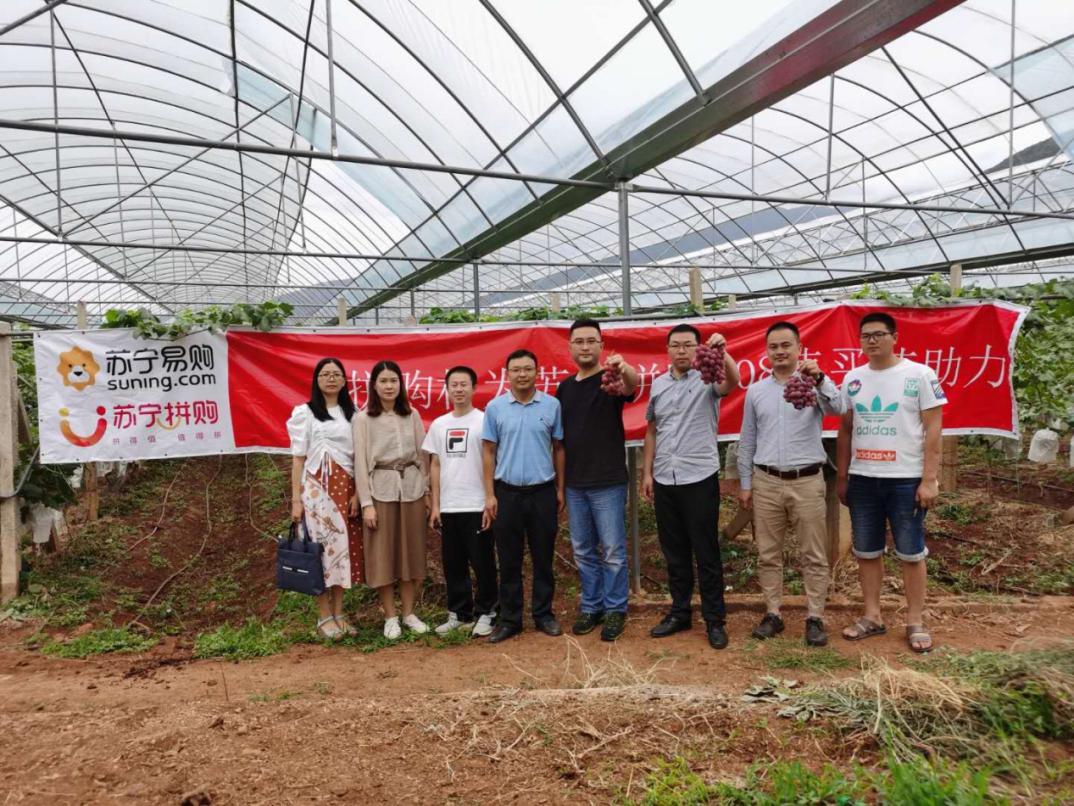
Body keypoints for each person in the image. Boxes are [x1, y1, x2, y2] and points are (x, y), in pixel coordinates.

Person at [837, 312, 944, 653]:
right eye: (865, 335)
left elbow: (933, 429)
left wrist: (929, 479)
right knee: (866, 551)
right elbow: (845, 429)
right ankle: (872, 615)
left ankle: (915, 620)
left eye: (879, 334)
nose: (872, 341)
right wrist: (843, 476)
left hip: (905, 480)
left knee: (911, 553)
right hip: (864, 479)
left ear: (895, 338)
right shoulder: (853, 378)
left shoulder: (919, 375)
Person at [737, 321, 844, 647]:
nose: (780, 351)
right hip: (767, 481)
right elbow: (747, 440)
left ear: (799, 348)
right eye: (774, 347)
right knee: (768, 553)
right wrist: (746, 483)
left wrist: (821, 379)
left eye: (786, 345)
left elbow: (840, 408)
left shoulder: (813, 385)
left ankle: (815, 616)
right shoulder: (756, 392)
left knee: (813, 553)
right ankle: (773, 613)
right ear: (766, 352)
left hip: (807, 481)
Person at [642, 324, 740, 650]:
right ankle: (680, 612)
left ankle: (715, 619)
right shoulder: (658, 384)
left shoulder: (708, 378)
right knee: (674, 552)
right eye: (676, 345)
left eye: (688, 345)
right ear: (667, 349)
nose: (681, 350)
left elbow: (733, 381)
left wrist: (723, 353)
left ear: (698, 349)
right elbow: (652, 429)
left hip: (698, 477)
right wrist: (647, 473)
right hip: (665, 478)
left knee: (706, 551)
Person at [556, 319, 638, 641]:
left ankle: (616, 608)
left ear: (602, 346)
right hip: (575, 483)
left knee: (613, 551)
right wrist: (561, 484)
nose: (585, 346)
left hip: (608, 481)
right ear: (570, 347)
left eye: (592, 341)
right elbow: (560, 442)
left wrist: (623, 367)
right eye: (579, 341)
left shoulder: (610, 380)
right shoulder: (565, 388)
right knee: (583, 550)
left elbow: (631, 386)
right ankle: (592, 606)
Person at [482, 349, 565, 643]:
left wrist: (560, 489)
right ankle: (510, 619)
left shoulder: (552, 405)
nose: (522, 374)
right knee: (509, 560)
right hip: (507, 493)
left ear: (537, 372)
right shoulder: (495, 408)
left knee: (543, 558)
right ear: (507, 374)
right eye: (516, 369)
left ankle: (544, 615)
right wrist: (489, 494)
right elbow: (488, 451)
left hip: (543, 492)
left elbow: (558, 448)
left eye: (528, 369)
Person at [354, 360, 431, 640]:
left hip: (411, 488)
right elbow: (361, 464)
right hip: (380, 490)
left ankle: (409, 613)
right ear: (374, 385)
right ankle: (390, 616)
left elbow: (423, 456)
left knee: (412, 553)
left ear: (401, 384)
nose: (389, 386)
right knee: (382, 555)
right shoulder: (363, 419)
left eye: (394, 381)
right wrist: (367, 504)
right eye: (384, 381)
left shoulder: (412, 414)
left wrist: (427, 491)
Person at [287, 357, 363, 640]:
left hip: (345, 490)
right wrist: (296, 500)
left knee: (342, 550)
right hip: (315, 492)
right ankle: (323, 616)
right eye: (325, 374)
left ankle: (340, 613)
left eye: (336, 374)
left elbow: (360, 458)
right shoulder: (305, 413)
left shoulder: (353, 414)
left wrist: (358, 493)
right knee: (318, 551)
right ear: (316, 380)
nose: (331, 379)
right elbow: (298, 459)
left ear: (344, 381)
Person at [422, 365, 498, 638]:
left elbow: (491, 459)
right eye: (453, 385)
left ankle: (488, 612)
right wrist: (436, 505)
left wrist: (489, 498)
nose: (459, 389)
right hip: (449, 506)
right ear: (447, 389)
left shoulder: (484, 420)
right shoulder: (439, 425)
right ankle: (459, 613)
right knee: (453, 563)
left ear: (474, 388)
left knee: (482, 562)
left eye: (464, 384)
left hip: (476, 504)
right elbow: (435, 464)